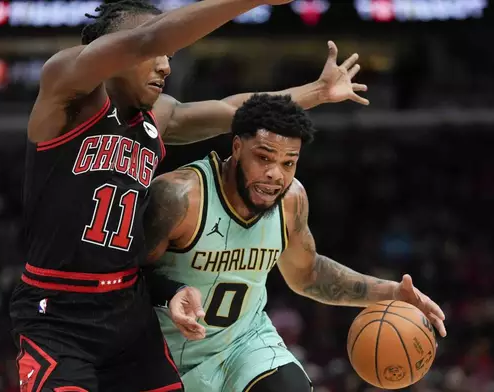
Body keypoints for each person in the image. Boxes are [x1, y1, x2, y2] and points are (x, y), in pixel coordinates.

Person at [10, 1, 306, 391]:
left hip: (127, 311)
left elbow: (238, 110)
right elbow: (150, 36)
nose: (166, 67)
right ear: (115, 49)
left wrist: (319, 91)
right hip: (58, 314)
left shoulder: (156, 116)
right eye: (157, 56)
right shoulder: (65, 86)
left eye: (169, 57)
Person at [144, 94, 447, 392]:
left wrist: (391, 292)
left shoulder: (290, 200)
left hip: (243, 345)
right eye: (263, 158)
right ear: (237, 147)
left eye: (289, 163)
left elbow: (308, 274)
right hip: (163, 354)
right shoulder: (179, 197)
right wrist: (170, 292)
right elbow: (120, 277)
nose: (275, 174)